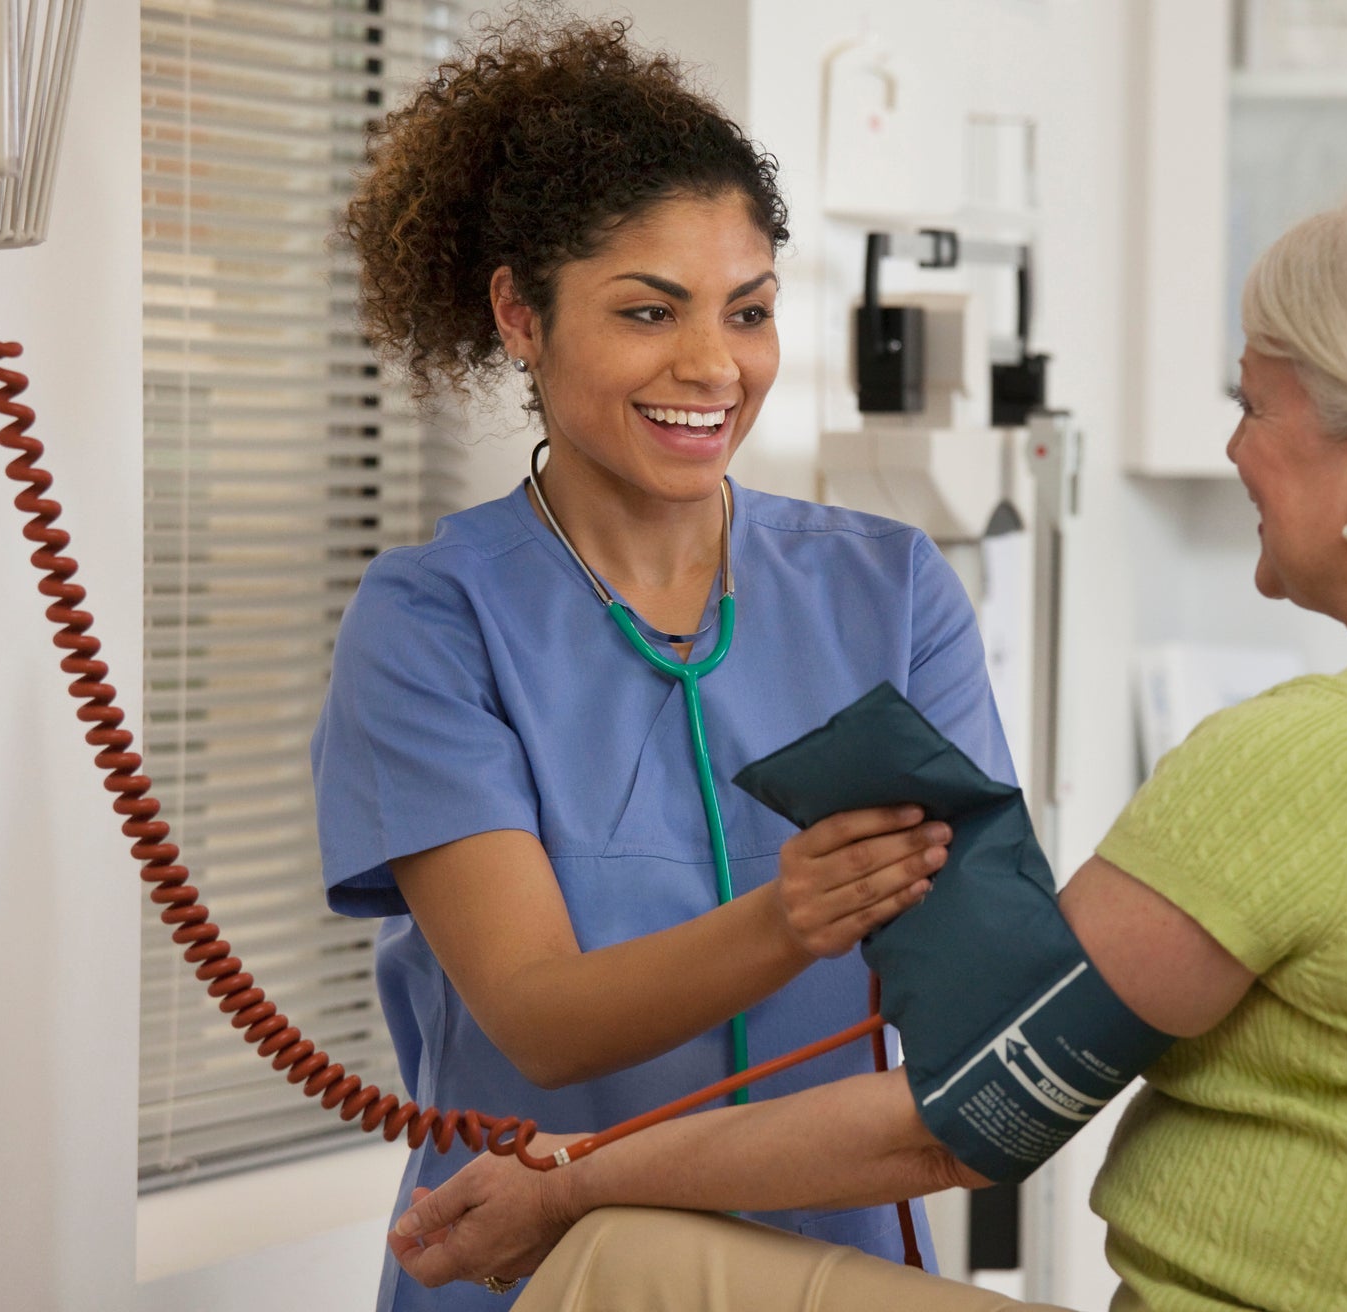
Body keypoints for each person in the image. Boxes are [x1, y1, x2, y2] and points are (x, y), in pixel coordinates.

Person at [378, 154, 1347, 1312]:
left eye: (1255, 403)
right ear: (521, 318)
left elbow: (966, 1114)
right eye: (647, 311)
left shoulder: (1311, 757)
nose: (1235, 446)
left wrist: (574, 1188)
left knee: (610, 1262)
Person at [312, 13, 1014, 1308]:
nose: (712, 365)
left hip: (828, 1272)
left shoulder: (892, 592)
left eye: (747, 312)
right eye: (649, 312)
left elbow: (989, 980)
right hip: (538, 1268)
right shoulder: (433, 622)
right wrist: (791, 917)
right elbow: (538, 1014)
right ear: (521, 314)